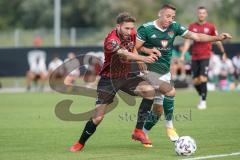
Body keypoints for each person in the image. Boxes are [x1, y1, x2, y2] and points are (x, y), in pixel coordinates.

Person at [132, 4, 231, 147]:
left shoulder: (175, 27)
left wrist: (218, 38)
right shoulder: (146, 28)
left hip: (164, 72)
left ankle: (142, 133)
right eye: (167, 16)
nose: (170, 19)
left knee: (158, 110)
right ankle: (170, 126)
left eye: (172, 17)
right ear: (160, 14)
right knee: (171, 92)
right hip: (148, 71)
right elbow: (135, 47)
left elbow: (196, 36)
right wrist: (140, 58)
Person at [70, 12, 158, 152]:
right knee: (98, 118)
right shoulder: (111, 40)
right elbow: (124, 53)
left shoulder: (131, 34)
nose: (130, 31)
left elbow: (132, 46)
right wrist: (143, 58)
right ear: (118, 26)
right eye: (126, 28)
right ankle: (80, 143)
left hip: (126, 75)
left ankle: (138, 131)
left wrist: (140, 57)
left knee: (149, 91)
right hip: (109, 79)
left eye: (131, 28)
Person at [180, 6, 229, 109]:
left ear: (206, 14)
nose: (201, 14)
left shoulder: (211, 27)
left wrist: (223, 52)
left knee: (203, 78)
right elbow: (188, 41)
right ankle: (202, 94)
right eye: (200, 13)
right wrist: (183, 54)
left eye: (203, 13)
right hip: (194, 57)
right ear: (197, 14)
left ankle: (203, 101)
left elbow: (217, 39)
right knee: (195, 81)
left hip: (205, 56)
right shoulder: (192, 26)